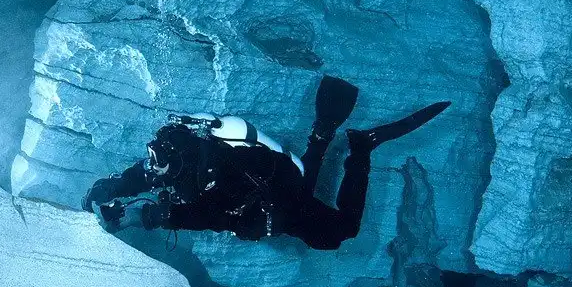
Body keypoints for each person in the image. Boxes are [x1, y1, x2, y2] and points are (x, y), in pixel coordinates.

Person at [82, 76, 451, 250]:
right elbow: (145, 175)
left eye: (157, 161)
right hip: (276, 182)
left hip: (276, 200)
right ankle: (323, 134)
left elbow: (211, 215)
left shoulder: (217, 171)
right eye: (153, 158)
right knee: (302, 181)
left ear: (179, 159)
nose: (153, 167)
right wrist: (112, 187)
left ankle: (362, 148)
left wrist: (151, 216)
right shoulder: (179, 160)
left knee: (339, 233)